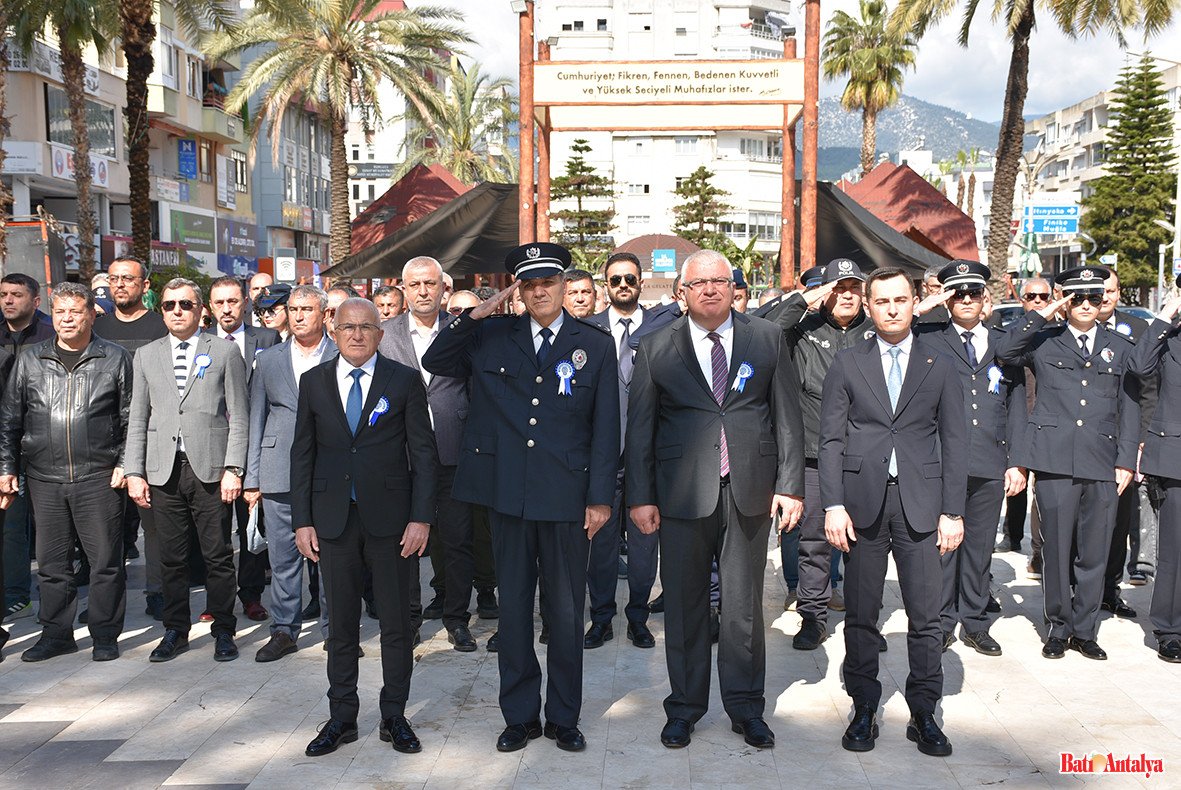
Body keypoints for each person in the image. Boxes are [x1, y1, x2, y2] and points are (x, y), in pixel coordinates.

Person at [423, 242, 619, 754]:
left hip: (567, 498)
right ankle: (519, 716)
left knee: (565, 612)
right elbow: (436, 357)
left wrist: (601, 498)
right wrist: (481, 308)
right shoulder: (490, 334)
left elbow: (605, 429)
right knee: (512, 612)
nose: (540, 292)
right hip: (506, 495)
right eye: (528, 284)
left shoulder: (593, 344)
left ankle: (564, 716)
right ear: (519, 289)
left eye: (548, 282)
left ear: (563, 283)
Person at [627, 249, 805, 750]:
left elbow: (787, 417)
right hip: (682, 495)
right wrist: (640, 497)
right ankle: (684, 708)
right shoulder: (656, 346)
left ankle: (747, 708)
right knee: (684, 606)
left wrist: (790, 485)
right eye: (699, 282)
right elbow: (640, 430)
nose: (710, 289)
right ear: (682, 293)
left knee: (744, 607)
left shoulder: (765, 338)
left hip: (750, 490)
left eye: (720, 281)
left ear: (734, 288)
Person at [820, 266, 967, 757]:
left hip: (922, 508)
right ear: (868, 305)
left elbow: (955, 441)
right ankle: (863, 706)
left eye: (900, 299)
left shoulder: (939, 363)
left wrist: (953, 511)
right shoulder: (847, 362)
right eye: (881, 301)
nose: (892, 308)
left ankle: (925, 710)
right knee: (862, 613)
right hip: (861, 506)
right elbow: (832, 439)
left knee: (926, 617)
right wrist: (834, 503)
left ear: (915, 301)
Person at [291, 298, 437, 757]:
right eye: (347, 327)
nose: (356, 334)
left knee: (396, 622)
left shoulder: (404, 380)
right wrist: (302, 521)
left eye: (366, 327)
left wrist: (421, 517)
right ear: (333, 331)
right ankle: (341, 718)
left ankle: (394, 714)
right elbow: (302, 454)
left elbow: (425, 455)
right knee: (341, 629)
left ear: (380, 333)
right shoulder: (314, 382)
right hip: (333, 520)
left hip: (392, 522)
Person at [994, 265, 1140, 661]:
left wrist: (1127, 459)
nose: (1088, 305)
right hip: (1055, 457)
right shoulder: (1044, 340)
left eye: (1095, 297)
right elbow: (1004, 351)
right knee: (1056, 548)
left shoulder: (1121, 346)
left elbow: (1130, 406)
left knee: (1094, 550)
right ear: (1066, 298)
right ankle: (1058, 627)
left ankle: (1085, 629)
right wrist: (1044, 311)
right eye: (1079, 297)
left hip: (1103, 458)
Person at [0, 283, 131, 662]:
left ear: (92, 314)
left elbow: (130, 418)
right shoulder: (30, 360)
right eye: (60, 312)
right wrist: (7, 468)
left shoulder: (115, 358)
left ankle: (105, 634)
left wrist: (124, 463)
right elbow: (10, 418)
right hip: (44, 477)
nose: (67, 319)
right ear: (52, 315)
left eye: (75, 311)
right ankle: (56, 634)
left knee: (105, 562)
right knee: (52, 565)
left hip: (99, 476)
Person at [124, 278, 249, 663]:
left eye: (185, 304)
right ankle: (175, 630)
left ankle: (224, 629)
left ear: (201, 310)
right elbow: (138, 417)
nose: (177, 311)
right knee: (171, 557)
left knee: (218, 554)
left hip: (210, 468)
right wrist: (134, 471)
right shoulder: (146, 355)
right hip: (163, 469)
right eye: (168, 305)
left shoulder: (224, 353)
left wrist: (234, 467)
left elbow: (240, 415)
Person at [915, 261, 1026, 657]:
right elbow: (893, 326)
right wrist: (929, 304)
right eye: (957, 293)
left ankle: (976, 622)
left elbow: (1015, 405)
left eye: (972, 293)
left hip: (989, 460)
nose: (965, 300)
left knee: (979, 548)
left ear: (985, 300)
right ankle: (942, 622)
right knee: (943, 547)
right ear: (947, 299)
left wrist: (1017, 461)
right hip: (944, 460)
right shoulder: (929, 337)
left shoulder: (1000, 342)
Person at [763, 258, 870, 650]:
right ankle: (812, 616)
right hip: (812, 452)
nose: (846, 295)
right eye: (837, 287)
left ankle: (864, 622)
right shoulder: (802, 330)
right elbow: (768, 327)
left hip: (864, 455)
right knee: (814, 541)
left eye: (853, 288)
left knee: (866, 542)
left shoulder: (873, 332)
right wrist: (807, 299)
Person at [378, 257, 479, 652]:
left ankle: (457, 619)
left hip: (453, 453)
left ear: (444, 289)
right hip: (399, 458)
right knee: (404, 543)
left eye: (430, 284)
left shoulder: (462, 332)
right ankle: (410, 619)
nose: (422, 291)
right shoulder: (383, 334)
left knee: (457, 541)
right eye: (414, 284)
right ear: (403, 288)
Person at [245, 286, 336, 662]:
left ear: (324, 314)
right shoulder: (269, 360)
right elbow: (256, 418)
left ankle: (336, 630)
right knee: (283, 559)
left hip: (331, 470)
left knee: (332, 555)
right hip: (279, 468)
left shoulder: (342, 352)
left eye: (306, 309)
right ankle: (284, 630)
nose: (298, 316)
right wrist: (253, 478)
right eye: (293, 309)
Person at [584, 252, 658, 650]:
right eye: (615, 280)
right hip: (601, 457)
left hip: (648, 460)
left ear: (641, 282)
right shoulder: (587, 329)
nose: (623, 285)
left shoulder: (666, 327)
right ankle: (600, 618)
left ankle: (639, 617)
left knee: (645, 546)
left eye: (630, 278)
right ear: (606, 285)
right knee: (601, 544)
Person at [95, 255, 169, 617]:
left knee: (152, 525)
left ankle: (158, 591)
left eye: (127, 278)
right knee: (106, 530)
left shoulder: (161, 326)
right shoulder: (98, 329)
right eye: (114, 278)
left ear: (144, 286)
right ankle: (106, 598)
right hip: (104, 443)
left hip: (152, 439)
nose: (120, 285)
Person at [209, 276, 281, 623]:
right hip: (212, 452)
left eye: (233, 301)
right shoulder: (201, 343)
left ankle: (251, 595)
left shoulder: (267, 339)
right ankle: (217, 598)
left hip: (256, 449)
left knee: (252, 527)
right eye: (220, 302)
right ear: (211, 307)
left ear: (245, 303)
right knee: (215, 534)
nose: (227, 308)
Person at [1126, 294, 1181, 662]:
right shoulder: (1168, 339)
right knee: (1175, 549)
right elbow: (1137, 365)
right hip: (1175, 456)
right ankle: (1170, 629)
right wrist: (1164, 315)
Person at [0, 272, 55, 623]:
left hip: (45, 444)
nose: (7, 300)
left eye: (16, 294)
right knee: (11, 526)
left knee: (51, 526)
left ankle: (54, 596)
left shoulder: (50, 336)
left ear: (35, 301)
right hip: (6, 445)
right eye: (3, 294)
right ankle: (17, 596)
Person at [1098, 268, 1154, 615]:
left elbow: (1149, 388)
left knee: (1120, 521)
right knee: (1080, 521)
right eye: (1098, 290)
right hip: (1084, 439)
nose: (1104, 297)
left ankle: (1109, 589)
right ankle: (1078, 589)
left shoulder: (1139, 330)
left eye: (1111, 291)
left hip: (1124, 440)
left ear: (1119, 294)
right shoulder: (1065, 328)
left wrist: (1144, 438)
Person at [1000, 277, 1054, 563]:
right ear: (1021, 300)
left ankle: (1038, 552)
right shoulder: (1013, 333)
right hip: (1021, 417)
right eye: (1031, 296)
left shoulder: (1060, 333)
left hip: (1050, 424)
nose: (1037, 301)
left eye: (1042, 297)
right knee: (1015, 482)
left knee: (1043, 491)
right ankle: (1012, 536)